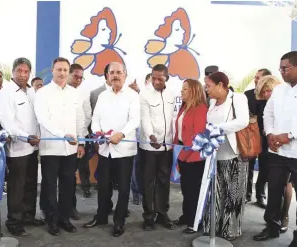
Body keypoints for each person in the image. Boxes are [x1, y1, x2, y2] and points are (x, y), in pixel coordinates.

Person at [253, 51, 297, 247]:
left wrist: (289, 136)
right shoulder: (279, 90)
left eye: (285, 68)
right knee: (274, 191)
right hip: (278, 152)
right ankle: (272, 227)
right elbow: (268, 113)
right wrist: (270, 134)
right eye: (280, 68)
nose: (281, 72)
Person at [83, 62, 140, 237]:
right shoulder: (102, 96)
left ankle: (119, 222)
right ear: (107, 75)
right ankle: (101, 216)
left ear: (125, 74)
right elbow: (96, 118)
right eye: (112, 72)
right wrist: (98, 132)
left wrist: (121, 134)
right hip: (105, 149)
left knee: (123, 188)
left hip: (124, 149)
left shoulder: (132, 95)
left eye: (118, 72)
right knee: (103, 185)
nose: (115, 75)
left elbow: (135, 120)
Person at [34, 57, 86, 236]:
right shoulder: (43, 93)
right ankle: (51, 220)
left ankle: (64, 219)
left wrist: (81, 142)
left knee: (68, 185)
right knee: (49, 185)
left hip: (71, 148)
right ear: (52, 70)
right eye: (59, 69)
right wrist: (61, 135)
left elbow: (80, 119)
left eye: (65, 70)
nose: (62, 73)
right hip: (51, 147)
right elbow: (43, 119)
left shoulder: (74, 93)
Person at [0, 57, 43, 236]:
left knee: (31, 183)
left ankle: (29, 216)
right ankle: (14, 222)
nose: (23, 75)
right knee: (17, 186)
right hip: (17, 148)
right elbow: (8, 123)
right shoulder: (6, 93)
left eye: (26, 72)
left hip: (34, 147)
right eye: (19, 71)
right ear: (13, 72)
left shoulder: (32, 92)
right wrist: (25, 137)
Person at [202, 71, 249, 241]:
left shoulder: (238, 98)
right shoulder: (212, 102)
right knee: (215, 193)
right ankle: (212, 227)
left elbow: (243, 121)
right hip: (215, 154)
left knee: (233, 195)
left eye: (209, 85)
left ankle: (230, 230)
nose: (206, 89)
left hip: (234, 155)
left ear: (221, 85)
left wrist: (218, 128)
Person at [139, 64, 176, 231]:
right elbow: (144, 118)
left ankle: (162, 214)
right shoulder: (144, 94)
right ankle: (148, 216)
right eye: (153, 77)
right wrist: (150, 136)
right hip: (149, 147)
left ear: (166, 78)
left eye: (160, 78)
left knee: (164, 181)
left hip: (167, 146)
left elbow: (173, 117)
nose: (156, 81)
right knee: (148, 182)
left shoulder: (171, 94)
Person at [254, 75, 292, 233]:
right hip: (267, 146)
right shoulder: (264, 104)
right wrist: (268, 134)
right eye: (263, 92)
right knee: (273, 183)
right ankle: (273, 220)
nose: (266, 94)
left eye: (269, 90)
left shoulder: (288, 99)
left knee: (286, 184)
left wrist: (283, 138)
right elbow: (264, 121)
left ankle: (284, 215)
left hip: (288, 146)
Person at [173, 79, 208, 233]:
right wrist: (176, 151)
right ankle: (187, 216)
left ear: (194, 91)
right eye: (182, 88)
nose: (182, 91)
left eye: (185, 89)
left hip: (194, 156)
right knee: (186, 189)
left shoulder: (200, 108)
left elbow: (197, 135)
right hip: (183, 152)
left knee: (193, 190)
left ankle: (195, 222)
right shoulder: (184, 107)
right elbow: (178, 132)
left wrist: (183, 154)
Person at [67, 63, 92, 220]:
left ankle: (71, 208)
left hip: (79, 140)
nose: (78, 80)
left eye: (81, 77)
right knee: (65, 177)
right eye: (75, 76)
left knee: (73, 174)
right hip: (60, 142)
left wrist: (80, 138)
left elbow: (87, 115)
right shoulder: (57, 92)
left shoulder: (83, 93)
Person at [244, 68, 272, 207]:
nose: (255, 80)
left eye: (259, 78)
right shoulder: (247, 94)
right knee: (247, 166)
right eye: (255, 77)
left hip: (267, 137)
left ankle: (260, 195)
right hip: (250, 136)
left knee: (264, 167)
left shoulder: (271, 96)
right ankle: (246, 195)